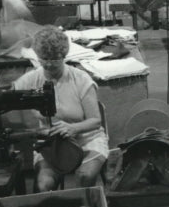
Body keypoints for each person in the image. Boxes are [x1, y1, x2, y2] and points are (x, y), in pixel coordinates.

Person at [12, 27, 108, 191]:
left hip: (87, 140)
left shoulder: (81, 79)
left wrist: (73, 128)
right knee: (44, 184)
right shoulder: (31, 80)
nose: (49, 64)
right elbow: (8, 96)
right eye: (44, 58)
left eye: (55, 59)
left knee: (85, 176)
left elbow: (95, 121)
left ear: (64, 56)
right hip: (52, 145)